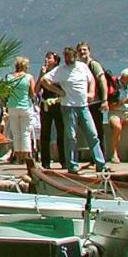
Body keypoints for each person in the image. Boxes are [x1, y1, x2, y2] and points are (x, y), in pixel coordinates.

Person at [39, 46, 106, 174]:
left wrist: (91, 92)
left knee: (92, 134)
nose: (68, 59)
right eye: (66, 56)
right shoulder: (60, 70)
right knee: (70, 136)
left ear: (75, 56)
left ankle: (100, 164)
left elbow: (91, 79)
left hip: (83, 106)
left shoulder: (82, 67)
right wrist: (59, 91)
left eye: (70, 56)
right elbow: (44, 80)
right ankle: (72, 165)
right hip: (68, 107)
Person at [77, 43, 112, 158]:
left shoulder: (94, 65)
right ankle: (94, 158)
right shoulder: (78, 66)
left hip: (95, 103)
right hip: (82, 103)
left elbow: (103, 82)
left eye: (84, 50)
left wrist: (104, 100)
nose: (82, 52)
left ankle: (101, 158)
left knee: (97, 131)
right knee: (88, 132)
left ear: (89, 51)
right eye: (80, 50)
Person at [4, 57, 38, 164]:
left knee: (15, 132)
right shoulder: (29, 77)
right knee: (25, 132)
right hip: (25, 107)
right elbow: (32, 93)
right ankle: (26, 156)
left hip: (13, 106)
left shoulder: (9, 77)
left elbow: (6, 92)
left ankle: (18, 156)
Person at [38, 51, 66, 168]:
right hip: (45, 105)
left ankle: (64, 161)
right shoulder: (43, 73)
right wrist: (41, 76)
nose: (46, 60)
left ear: (55, 61)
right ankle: (45, 162)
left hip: (58, 104)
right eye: (46, 58)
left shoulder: (59, 73)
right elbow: (36, 90)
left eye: (49, 58)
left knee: (61, 133)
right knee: (45, 134)